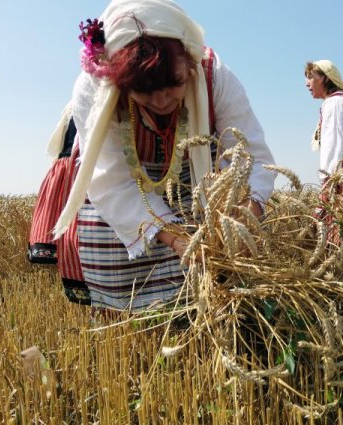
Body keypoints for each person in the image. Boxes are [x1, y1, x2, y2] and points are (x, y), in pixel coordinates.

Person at [52, 0, 276, 311]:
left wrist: (243, 216)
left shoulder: (214, 74)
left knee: (211, 273)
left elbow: (249, 155)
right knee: (108, 244)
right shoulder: (95, 88)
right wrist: (174, 237)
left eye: (174, 83)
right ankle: (129, 320)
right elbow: (110, 179)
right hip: (123, 185)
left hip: (193, 175)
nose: (160, 100)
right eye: (143, 89)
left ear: (190, 64)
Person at [28, 106, 89, 305]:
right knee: (76, 241)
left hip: (74, 172)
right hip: (74, 174)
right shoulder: (76, 105)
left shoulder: (73, 106)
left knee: (78, 241)